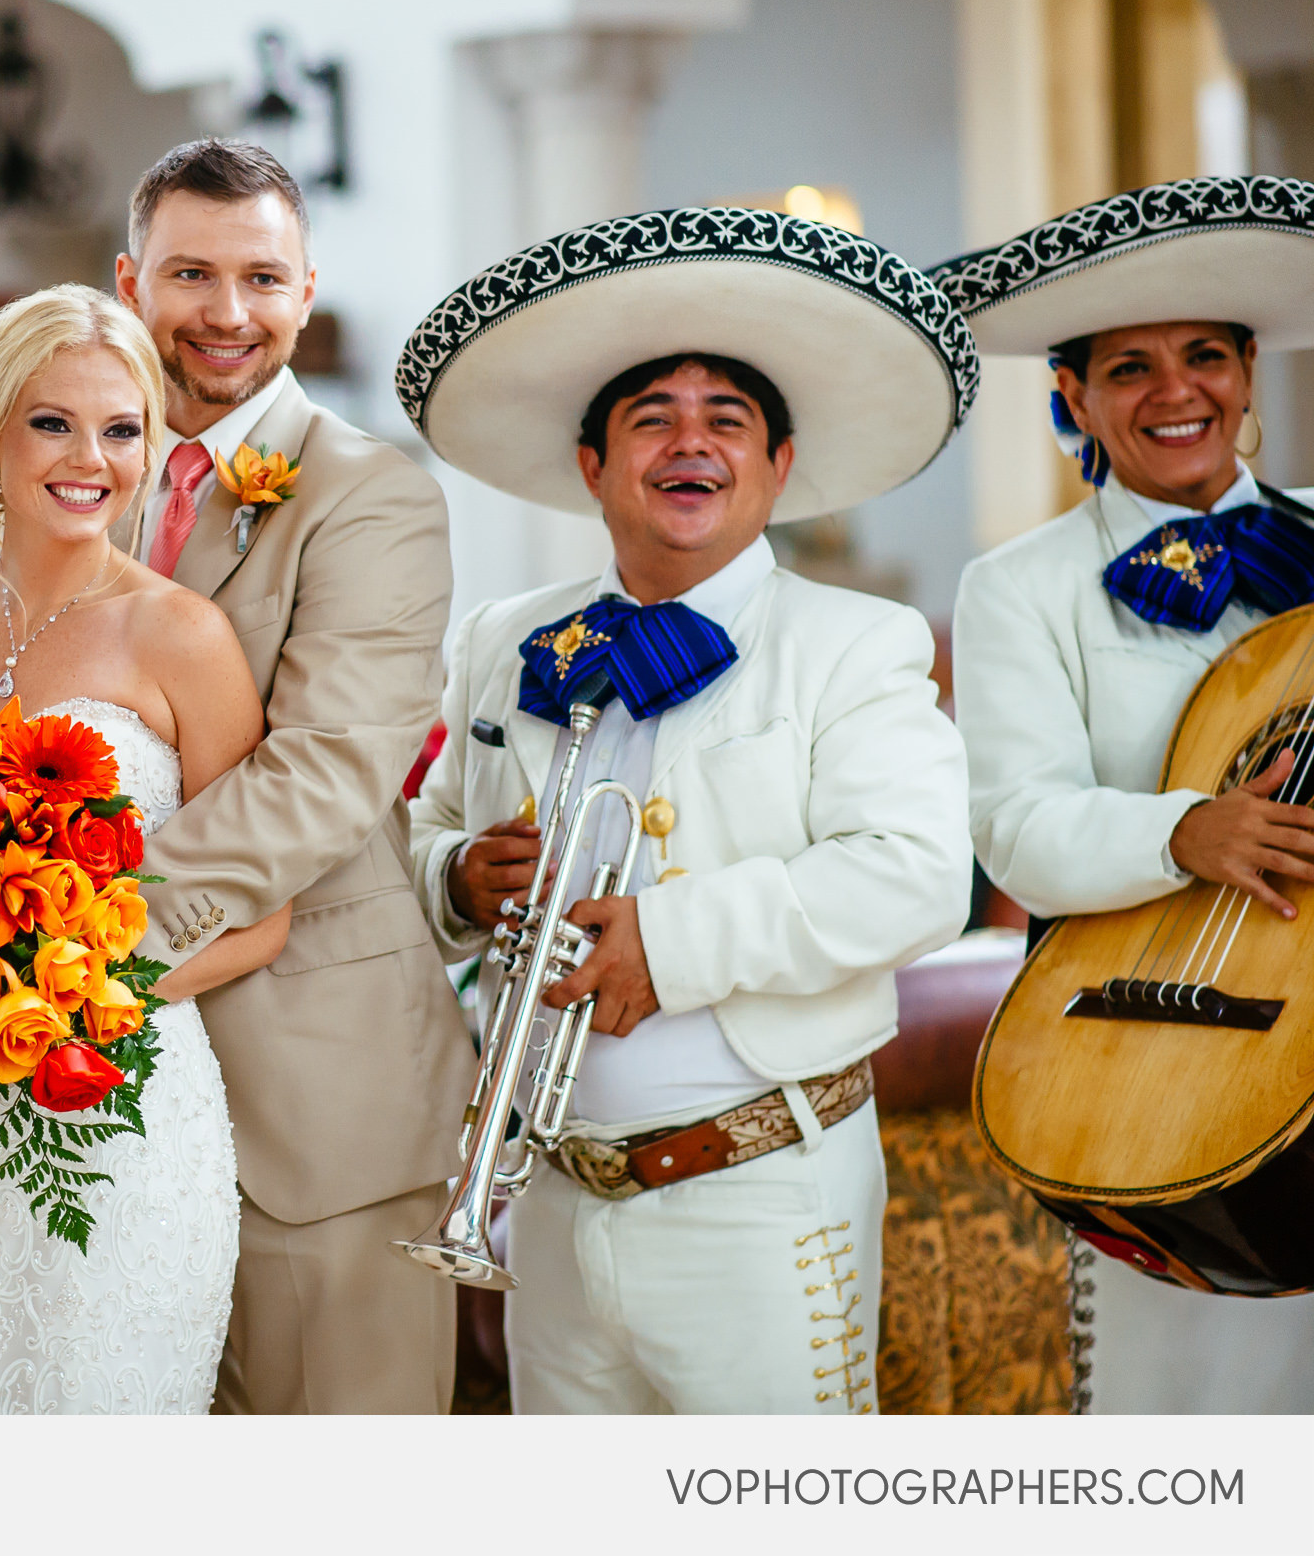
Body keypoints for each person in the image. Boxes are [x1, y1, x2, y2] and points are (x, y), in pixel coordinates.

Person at [401, 206, 977, 1413]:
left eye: (727, 420)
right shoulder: (503, 641)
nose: (689, 442)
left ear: (776, 465)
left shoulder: (854, 642)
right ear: (592, 466)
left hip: (763, 1193)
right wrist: (459, 873)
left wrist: (666, 946)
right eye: (650, 418)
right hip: (551, 1199)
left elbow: (918, 873)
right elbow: (414, 835)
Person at [0, 284, 286, 1413]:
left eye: (122, 428)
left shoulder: (182, 635)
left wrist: (74, 995)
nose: (90, 457)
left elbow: (263, 913)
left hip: (128, 1122)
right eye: (54, 422)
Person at [939, 174, 1314, 1413]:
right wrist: (1186, 832)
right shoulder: (1021, 588)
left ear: (1249, 374)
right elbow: (1019, 830)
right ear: (1076, 399)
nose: (1175, 391)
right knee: (1190, 1410)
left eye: (1205, 354)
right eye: (1129, 366)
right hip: (1156, 1052)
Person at [110, 140, 473, 1414]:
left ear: (306, 290)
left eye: (261, 278)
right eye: (190, 274)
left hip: (322, 1094)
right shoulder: (70, 494)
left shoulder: (370, 495)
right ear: (129, 281)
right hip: (110, 1117)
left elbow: (327, 770)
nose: (225, 312)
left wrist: (73, 939)